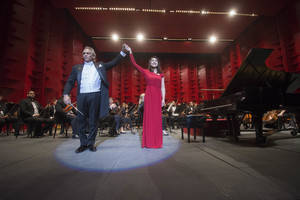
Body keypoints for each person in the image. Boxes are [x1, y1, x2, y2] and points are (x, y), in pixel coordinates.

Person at [63, 45, 128, 153]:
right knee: (81, 121)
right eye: (84, 53)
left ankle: (91, 143)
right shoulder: (76, 68)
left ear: (93, 55)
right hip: (82, 96)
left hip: (95, 95)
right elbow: (70, 82)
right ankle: (83, 144)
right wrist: (66, 94)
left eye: (88, 53)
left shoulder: (100, 65)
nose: (85, 55)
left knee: (93, 121)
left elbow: (113, 62)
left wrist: (123, 52)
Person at [124, 44, 165, 148]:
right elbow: (134, 64)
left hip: (157, 97)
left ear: (158, 63)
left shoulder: (161, 75)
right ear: (150, 63)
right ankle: (149, 142)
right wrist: (130, 52)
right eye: (152, 60)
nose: (154, 62)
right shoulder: (146, 71)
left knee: (157, 120)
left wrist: (163, 99)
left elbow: (163, 88)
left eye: (156, 60)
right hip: (149, 96)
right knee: (149, 119)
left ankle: (157, 142)